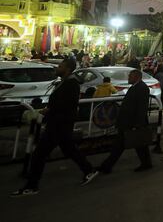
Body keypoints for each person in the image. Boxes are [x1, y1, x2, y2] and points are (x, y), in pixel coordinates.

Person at [11, 59, 98, 197]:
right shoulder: (65, 82)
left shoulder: (71, 84)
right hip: (59, 124)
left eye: (60, 66)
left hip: (59, 125)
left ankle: (32, 186)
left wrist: (49, 111)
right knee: (69, 149)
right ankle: (89, 170)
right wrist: (48, 110)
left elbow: (66, 105)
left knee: (39, 154)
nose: (57, 68)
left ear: (68, 69)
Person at [98, 69, 153, 173]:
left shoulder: (141, 88)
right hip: (128, 123)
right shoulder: (136, 87)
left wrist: (137, 124)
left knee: (135, 145)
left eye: (130, 76)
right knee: (130, 145)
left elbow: (141, 108)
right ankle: (107, 166)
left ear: (137, 77)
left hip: (131, 123)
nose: (128, 78)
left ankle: (107, 166)